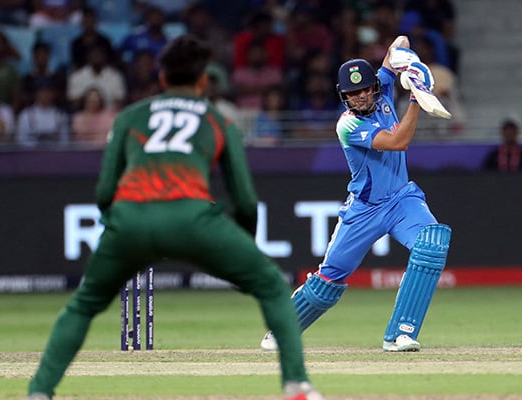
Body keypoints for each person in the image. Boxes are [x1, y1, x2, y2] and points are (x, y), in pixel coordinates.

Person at [26, 35, 323, 400]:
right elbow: (245, 201)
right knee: (273, 287)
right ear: (203, 81)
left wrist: (118, 229)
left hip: (130, 219)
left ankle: (39, 392)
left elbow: (104, 191)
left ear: (162, 78)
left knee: (84, 304)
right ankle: (296, 385)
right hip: (193, 219)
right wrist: (244, 250)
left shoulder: (131, 116)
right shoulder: (218, 120)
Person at [260, 35, 452, 353]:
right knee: (329, 281)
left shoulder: (385, 87)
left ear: (374, 86)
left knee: (432, 243)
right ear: (344, 97)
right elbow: (397, 142)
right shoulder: (347, 126)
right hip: (364, 209)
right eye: (352, 93)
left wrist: (410, 62)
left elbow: (399, 42)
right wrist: (418, 97)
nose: (360, 96)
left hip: (402, 199)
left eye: (364, 89)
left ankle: (401, 333)